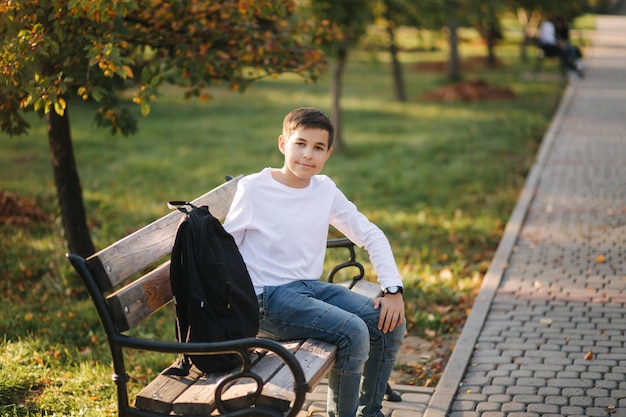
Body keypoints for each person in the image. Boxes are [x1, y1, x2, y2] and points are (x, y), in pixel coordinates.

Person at [223, 107, 405, 417]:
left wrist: (393, 289)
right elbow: (225, 252)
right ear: (283, 144)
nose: (308, 155)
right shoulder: (254, 189)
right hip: (265, 298)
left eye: (318, 147)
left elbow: (371, 235)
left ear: (328, 153)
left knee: (388, 323)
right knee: (354, 332)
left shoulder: (324, 190)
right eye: (300, 144)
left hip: (307, 288)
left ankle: (369, 411)